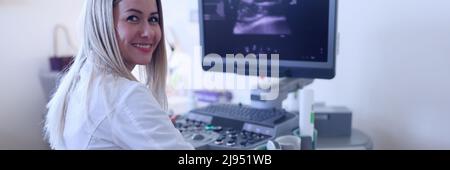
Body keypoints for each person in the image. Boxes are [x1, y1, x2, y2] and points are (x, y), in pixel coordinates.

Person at [44, 0, 194, 150]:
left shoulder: (81, 81)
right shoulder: (126, 95)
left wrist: (154, 124)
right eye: (133, 18)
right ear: (103, 23)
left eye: (153, 19)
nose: (148, 32)